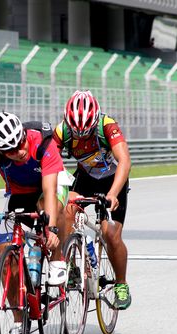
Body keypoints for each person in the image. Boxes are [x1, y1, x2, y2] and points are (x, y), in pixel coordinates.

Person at [0, 112, 69, 334]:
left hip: (49, 186)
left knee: (46, 207)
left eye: (20, 143)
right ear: (0, 151)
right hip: (18, 194)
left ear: (23, 134)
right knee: (6, 258)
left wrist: (51, 229)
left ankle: (57, 258)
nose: (19, 151)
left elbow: (50, 190)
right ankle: (19, 322)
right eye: (10, 151)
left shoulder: (43, 142)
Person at [53, 90, 133, 310]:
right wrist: (64, 192)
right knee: (66, 213)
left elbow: (124, 160)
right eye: (76, 133)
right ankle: (71, 264)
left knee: (111, 233)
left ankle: (121, 283)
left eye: (86, 133)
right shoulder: (62, 131)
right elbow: (51, 164)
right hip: (86, 176)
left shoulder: (107, 125)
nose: (81, 137)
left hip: (112, 179)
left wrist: (113, 194)